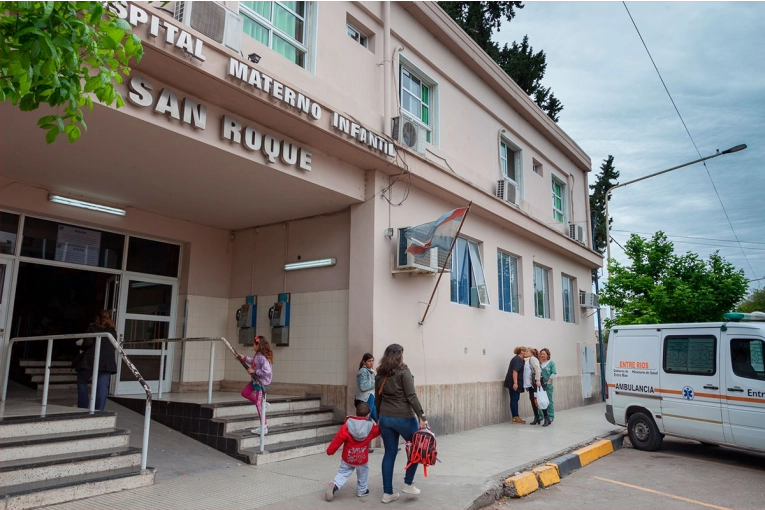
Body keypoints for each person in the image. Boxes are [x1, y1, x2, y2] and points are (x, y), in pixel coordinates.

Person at [375, 343, 428, 504]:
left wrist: (379, 418)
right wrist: (422, 416)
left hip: (385, 418)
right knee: (417, 448)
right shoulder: (403, 372)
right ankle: (408, 483)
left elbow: (378, 399)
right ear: (399, 355)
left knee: (389, 453)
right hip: (404, 417)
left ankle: (387, 493)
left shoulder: (379, 374)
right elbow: (411, 396)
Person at [325, 401, 381, 501]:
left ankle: (335, 484)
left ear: (356, 413)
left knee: (343, 472)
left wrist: (330, 451)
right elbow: (379, 430)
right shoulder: (370, 428)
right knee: (363, 473)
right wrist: (381, 422)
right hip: (361, 459)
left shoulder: (347, 425)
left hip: (348, 457)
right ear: (368, 415)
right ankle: (362, 490)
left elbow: (338, 439)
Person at [75, 310, 119, 411]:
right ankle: (99, 411)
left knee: (82, 381)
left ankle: (83, 407)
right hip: (107, 361)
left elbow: (88, 342)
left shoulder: (92, 328)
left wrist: (81, 345)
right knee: (102, 386)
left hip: (91, 359)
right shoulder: (112, 331)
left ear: (96, 318)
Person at [236, 335, 273, 435]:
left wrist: (254, 371)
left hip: (261, 384)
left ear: (258, 345)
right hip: (255, 381)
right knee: (245, 393)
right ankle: (261, 403)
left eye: (254, 343)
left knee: (258, 404)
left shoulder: (263, 357)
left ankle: (264, 426)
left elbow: (267, 371)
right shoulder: (258, 355)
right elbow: (253, 361)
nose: (253, 345)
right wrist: (243, 358)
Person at [503, 346, 526, 423]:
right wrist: (515, 383)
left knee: (515, 398)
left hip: (516, 382)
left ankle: (516, 416)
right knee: (514, 399)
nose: (526, 352)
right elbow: (515, 371)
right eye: (525, 351)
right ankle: (515, 417)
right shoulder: (517, 359)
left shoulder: (520, 360)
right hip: (513, 383)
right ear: (521, 351)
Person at [355, 353, 377, 422]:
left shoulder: (370, 371)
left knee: (376, 416)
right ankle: (366, 431)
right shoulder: (363, 371)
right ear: (364, 362)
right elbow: (363, 387)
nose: (371, 363)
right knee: (366, 418)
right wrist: (376, 384)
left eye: (372, 361)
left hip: (370, 396)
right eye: (369, 361)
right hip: (365, 398)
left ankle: (384, 431)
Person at [538, 348, 556, 424]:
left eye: (544, 354)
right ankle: (541, 415)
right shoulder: (539, 364)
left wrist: (548, 382)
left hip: (548, 385)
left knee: (549, 400)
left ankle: (550, 416)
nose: (542, 355)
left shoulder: (551, 363)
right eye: (541, 354)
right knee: (540, 400)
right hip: (540, 385)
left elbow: (553, 373)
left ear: (547, 355)